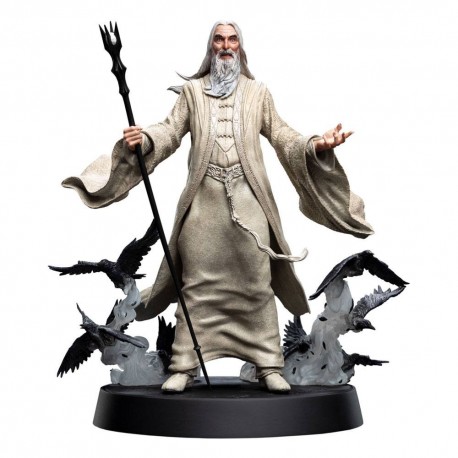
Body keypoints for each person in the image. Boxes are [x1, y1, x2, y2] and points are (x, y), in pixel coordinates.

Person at [63, 21, 373, 393]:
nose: (226, 46)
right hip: (204, 204)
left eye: (232, 40)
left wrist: (316, 145)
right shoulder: (192, 93)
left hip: (249, 202)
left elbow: (282, 135)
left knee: (256, 282)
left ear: (240, 47)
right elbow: (169, 131)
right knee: (196, 285)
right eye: (219, 40)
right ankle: (184, 363)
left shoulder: (258, 93)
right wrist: (144, 139)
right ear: (211, 47)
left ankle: (267, 363)